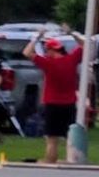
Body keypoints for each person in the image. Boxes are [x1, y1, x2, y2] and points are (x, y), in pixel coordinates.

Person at [24, 32, 85, 164]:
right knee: (71, 137)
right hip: (69, 104)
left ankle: (50, 161)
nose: (46, 53)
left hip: (52, 104)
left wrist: (37, 37)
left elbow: (27, 52)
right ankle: (73, 161)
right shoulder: (71, 60)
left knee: (52, 139)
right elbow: (85, 44)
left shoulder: (48, 63)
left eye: (47, 50)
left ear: (52, 50)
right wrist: (72, 33)